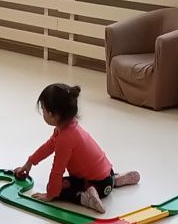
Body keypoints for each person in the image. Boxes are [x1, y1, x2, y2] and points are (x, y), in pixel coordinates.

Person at [12, 83, 140, 213]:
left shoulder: (64, 139)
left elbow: (57, 170)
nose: (43, 113)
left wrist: (50, 194)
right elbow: (49, 146)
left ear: (53, 115)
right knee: (99, 176)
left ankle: (86, 197)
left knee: (59, 187)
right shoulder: (70, 126)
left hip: (96, 185)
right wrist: (29, 163)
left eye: (43, 110)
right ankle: (115, 180)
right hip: (108, 175)